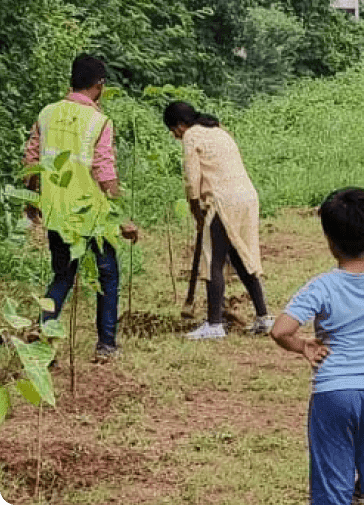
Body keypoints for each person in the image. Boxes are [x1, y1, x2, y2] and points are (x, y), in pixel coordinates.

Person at [270, 187, 364, 505]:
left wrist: (303, 346)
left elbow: (280, 330)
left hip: (333, 392)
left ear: (329, 240)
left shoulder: (322, 286)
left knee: (332, 489)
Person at [22, 54, 138, 362]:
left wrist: (31, 203)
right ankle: (106, 346)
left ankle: (43, 334)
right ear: (100, 85)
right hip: (94, 216)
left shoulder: (47, 113)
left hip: (57, 212)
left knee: (62, 276)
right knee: (107, 276)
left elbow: (31, 162)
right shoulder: (99, 122)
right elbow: (104, 172)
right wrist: (122, 217)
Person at [163, 101, 273, 339]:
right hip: (247, 198)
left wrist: (196, 211)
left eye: (173, 130)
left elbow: (192, 181)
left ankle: (214, 325)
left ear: (180, 125)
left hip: (223, 201)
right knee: (240, 257)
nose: (175, 136)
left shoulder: (191, 136)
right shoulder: (218, 131)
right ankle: (264, 318)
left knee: (212, 259)